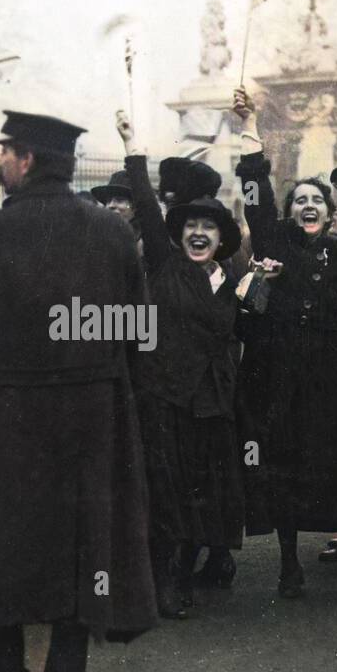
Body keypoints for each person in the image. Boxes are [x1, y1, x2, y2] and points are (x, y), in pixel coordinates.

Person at [0, 110, 156, 672]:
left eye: (4, 151)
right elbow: (141, 333)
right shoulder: (113, 235)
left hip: (9, 413)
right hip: (92, 416)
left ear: (27, 160)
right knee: (82, 545)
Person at [231, 88, 337, 596]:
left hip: (329, 380)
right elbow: (256, 197)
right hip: (281, 378)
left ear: (328, 216)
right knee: (280, 466)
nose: (308, 205)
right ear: (290, 212)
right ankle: (288, 562)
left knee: (331, 461)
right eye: (299, 200)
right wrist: (249, 128)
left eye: (316, 202)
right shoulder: (275, 246)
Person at [116, 110, 244, 617]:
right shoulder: (165, 265)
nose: (197, 234)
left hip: (210, 403)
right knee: (165, 490)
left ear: (220, 239)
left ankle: (189, 567)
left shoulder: (230, 281)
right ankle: (165, 581)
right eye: (190, 225)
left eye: (207, 228)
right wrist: (131, 143)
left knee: (201, 490)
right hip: (164, 396)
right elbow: (147, 206)